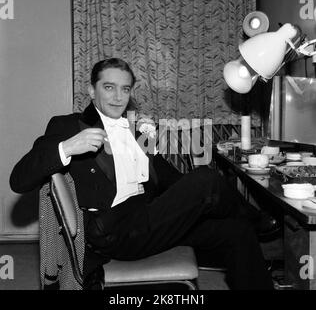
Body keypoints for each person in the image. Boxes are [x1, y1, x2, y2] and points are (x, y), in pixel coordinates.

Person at [10, 58, 274, 290]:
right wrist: (67, 147)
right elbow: (19, 179)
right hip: (113, 232)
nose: (117, 97)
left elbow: (173, 183)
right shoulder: (68, 125)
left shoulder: (137, 131)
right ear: (91, 90)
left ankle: (253, 234)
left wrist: (158, 158)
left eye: (125, 89)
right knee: (207, 179)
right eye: (108, 87)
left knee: (235, 231)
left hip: (149, 217)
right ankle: (261, 222)